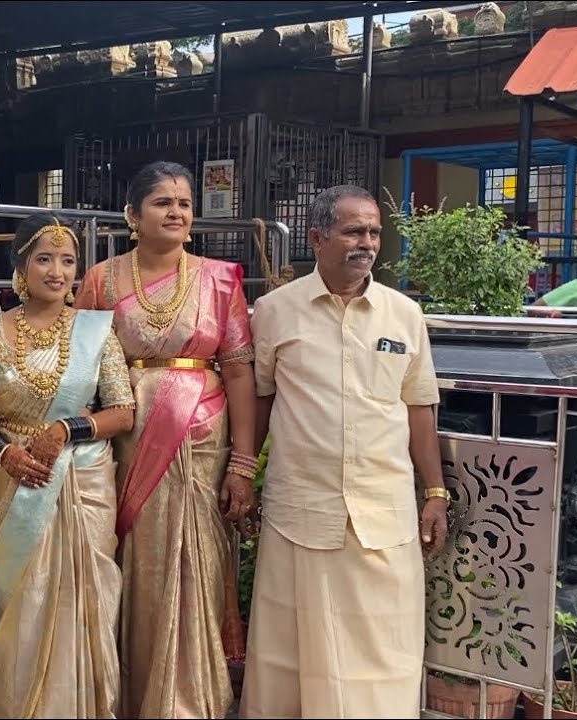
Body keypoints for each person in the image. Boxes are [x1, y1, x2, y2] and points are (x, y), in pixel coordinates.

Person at [241, 184, 449, 718]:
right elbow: (261, 402)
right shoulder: (273, 311)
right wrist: (243, 473)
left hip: (383, 509)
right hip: (302, 512)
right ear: (316, 237)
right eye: (354, 230)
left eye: (375, 231)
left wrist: (435, 491)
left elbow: (418, 408)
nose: (368, 242)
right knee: (293, 649)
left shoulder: (404, 315)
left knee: (384, 649)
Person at [74, 161, 257, 719]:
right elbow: (79, 367)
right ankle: (130, 698)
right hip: (127, 436)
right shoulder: (101, 279)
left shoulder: (220, 278)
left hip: (202, 438)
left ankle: (190, 702)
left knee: (194, 561)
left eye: (183, 202)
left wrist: (244, 463)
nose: (176, 212)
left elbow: (242, 370)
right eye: (162, 202)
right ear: (133, 216)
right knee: (136, 562)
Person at [0, 214, 136, 719]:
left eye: (67, 261)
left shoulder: (95, 331)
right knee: (22, 601)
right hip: (13, 479)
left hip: (81, 477)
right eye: (44, 259)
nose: (57, 271)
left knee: (84, 599)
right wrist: (6, 453)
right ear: (20, 267)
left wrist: (66, 431)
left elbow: (123, 411)